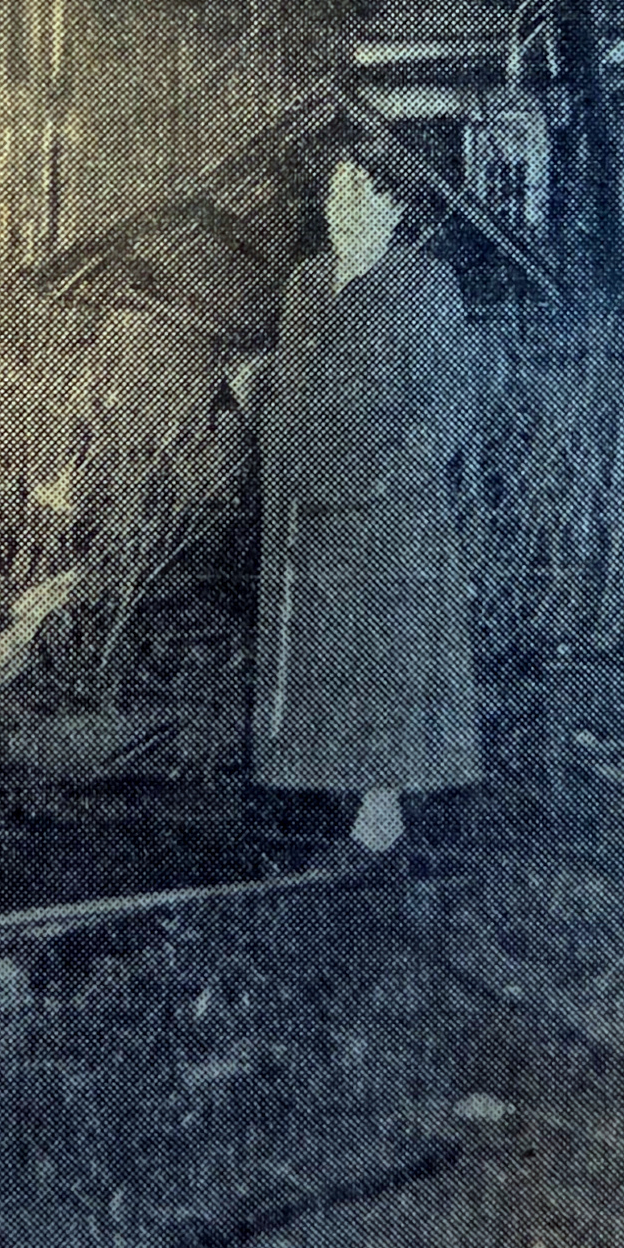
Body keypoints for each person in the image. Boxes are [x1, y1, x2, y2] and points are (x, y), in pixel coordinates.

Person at [254, 154, 483, 855]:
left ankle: (382, 802)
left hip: (390, 512)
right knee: (318, 650)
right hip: (309, 501)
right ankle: (323, 790)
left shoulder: (425, 284)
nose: (343, 202)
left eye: (361, 190)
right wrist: (263, 411)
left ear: (393, 206)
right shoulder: (304, 284)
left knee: (383, 651)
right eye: (334, 187)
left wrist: (390, 470)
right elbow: (288, 389)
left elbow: (448, 402)